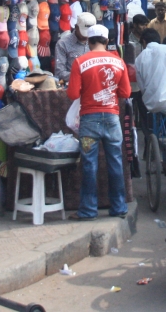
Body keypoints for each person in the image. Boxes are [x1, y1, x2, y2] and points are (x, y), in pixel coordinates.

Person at [66, 25, 130, 220]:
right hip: (112, 119)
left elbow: (72, 94)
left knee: (89, 165)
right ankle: (119, 207)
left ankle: (88, 210)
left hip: (89, 122)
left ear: (88, 41)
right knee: (116, 163)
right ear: (107, 40)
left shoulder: (80, 62)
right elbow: (126, 93)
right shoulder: (119, 62)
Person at [54, 13, 96, 83]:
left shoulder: (96, 42)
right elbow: (59, 73)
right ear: (76, 27)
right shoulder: (63, 44)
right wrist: (81, 76)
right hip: (72, 84)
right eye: (84, 33)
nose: (86, 36)